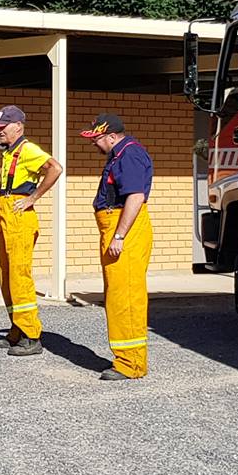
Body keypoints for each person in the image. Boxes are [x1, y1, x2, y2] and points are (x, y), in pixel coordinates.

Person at [83, 112, 154, 381]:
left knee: (126, 297)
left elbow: (135, 197)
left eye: (97, 138)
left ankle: (131, 364)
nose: (94, 143)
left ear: (112, 136)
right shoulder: (119, 154)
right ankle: (125, 359)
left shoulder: (129, 154)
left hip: (125, 231)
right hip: (116, 227)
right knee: (117, 295)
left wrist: (119, 236)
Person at [0, 104, 62, 357]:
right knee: (7, 276)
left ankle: (31, 336)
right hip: (7, 214)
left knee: (19, 276)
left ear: (18, 127)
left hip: (19, 217)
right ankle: (17, 330)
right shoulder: (9, 152)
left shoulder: (28, 149)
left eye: (3, 126)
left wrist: (33, 197)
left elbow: (55, 168)